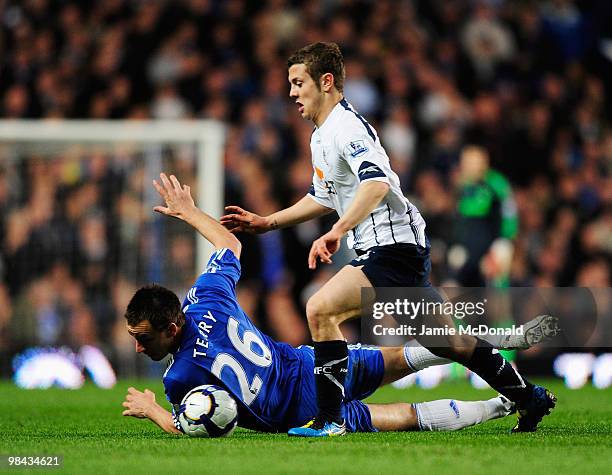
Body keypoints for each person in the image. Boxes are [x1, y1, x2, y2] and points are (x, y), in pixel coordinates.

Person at [220, 42, 556, 436]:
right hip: (393, 248)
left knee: (320, 309)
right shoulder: (320, 136)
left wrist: (337, 230)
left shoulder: (347, 127)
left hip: (392, 247)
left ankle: (330, 419)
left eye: (298, 83)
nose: (292, 92)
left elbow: (377, 184)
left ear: (326, 82)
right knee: (447, 341)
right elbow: (324, 195)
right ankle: (529, 397)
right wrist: (267, 222)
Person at [121, 173, 554, 436]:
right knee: (406, 355)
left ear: (171, 328)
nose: (139, 348)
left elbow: (191, 423)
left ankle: (503, 403)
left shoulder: (179, 377)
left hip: (299, 409)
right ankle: (501, 352)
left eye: (143, 338)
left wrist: (153, 410)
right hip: (308, 363)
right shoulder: (206, 296)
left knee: (401, 416)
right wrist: (190, 212)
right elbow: (230, 242)